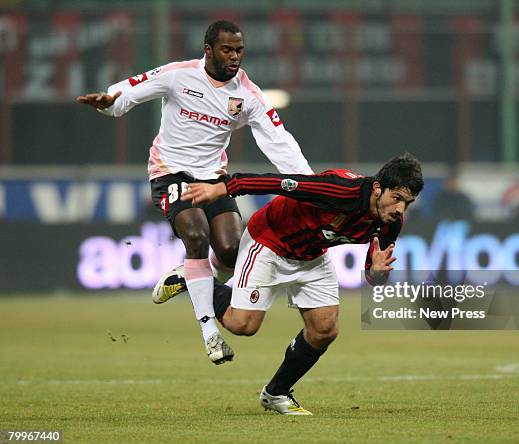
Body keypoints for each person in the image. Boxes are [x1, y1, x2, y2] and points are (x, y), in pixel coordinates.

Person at [76, 20, 313, 365]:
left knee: (233, 252)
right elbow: (130, 90)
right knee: (196, 236)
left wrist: (308, 183)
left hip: (213, 177)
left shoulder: (247, 94)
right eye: (227, 50)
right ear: (208, 49)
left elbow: (279, 141)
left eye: (239, 51)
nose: (234, 57)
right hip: (169, 171)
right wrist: (109, 102)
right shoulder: (179, 75)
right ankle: (211, 335)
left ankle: (189, 276)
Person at [177, 154, 424, 415]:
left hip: (312, 255)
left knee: (325, 329)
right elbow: (282, 183)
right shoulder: (340, 190)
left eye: (407, 203)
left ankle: (276, 393)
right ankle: (192, 278)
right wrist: (225, 187)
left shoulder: (390, 224)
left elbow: (373, 276)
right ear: (377, 188)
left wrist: (376, 272)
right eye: (396, 198)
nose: (400, 209)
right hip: (270, 240)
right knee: (243, 325)